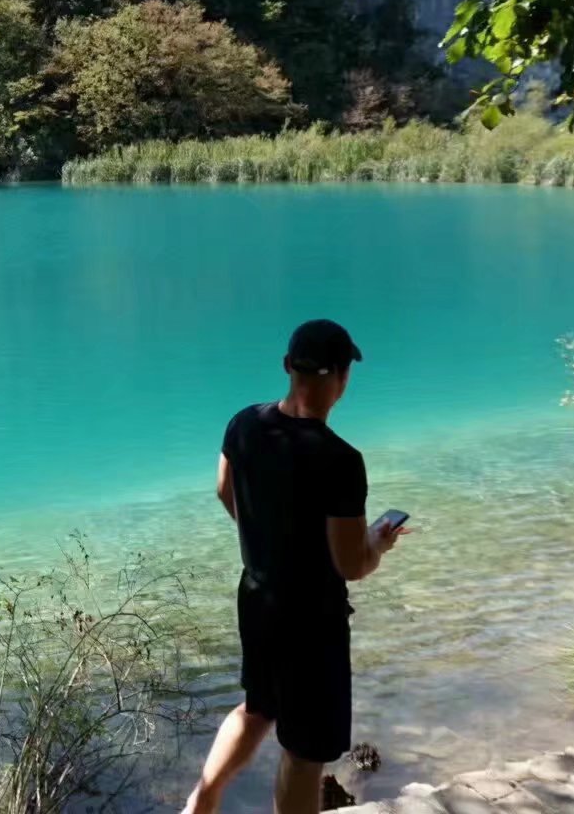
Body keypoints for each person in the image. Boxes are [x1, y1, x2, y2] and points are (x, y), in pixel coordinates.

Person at [184, 319, 407, 814]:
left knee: (259, 708)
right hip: (312, 621)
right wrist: (379, 544)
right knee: (305, 756)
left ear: (288, 366)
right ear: (344, 379)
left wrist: (267, 538)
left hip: (258, 596)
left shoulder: (244, 424)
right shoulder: (340, 460)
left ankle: (201, 803)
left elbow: (225, 490)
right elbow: (351, 565)